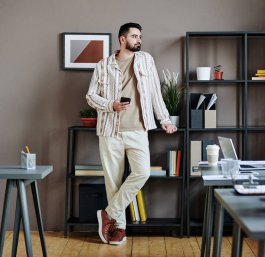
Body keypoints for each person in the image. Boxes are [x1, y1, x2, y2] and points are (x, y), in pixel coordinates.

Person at [86, 22, 177, 245]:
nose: (139, 40)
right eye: (135, 36)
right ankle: (119, 230)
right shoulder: (103, 65)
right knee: (113, 182)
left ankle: (108, 213)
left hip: (138, 130)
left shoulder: (146, 59)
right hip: (110, 131)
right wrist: (110, 104)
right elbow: (90, 96)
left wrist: (164, 119)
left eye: (140, 36)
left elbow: (156, 91)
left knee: (142, 173)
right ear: (122, 39)